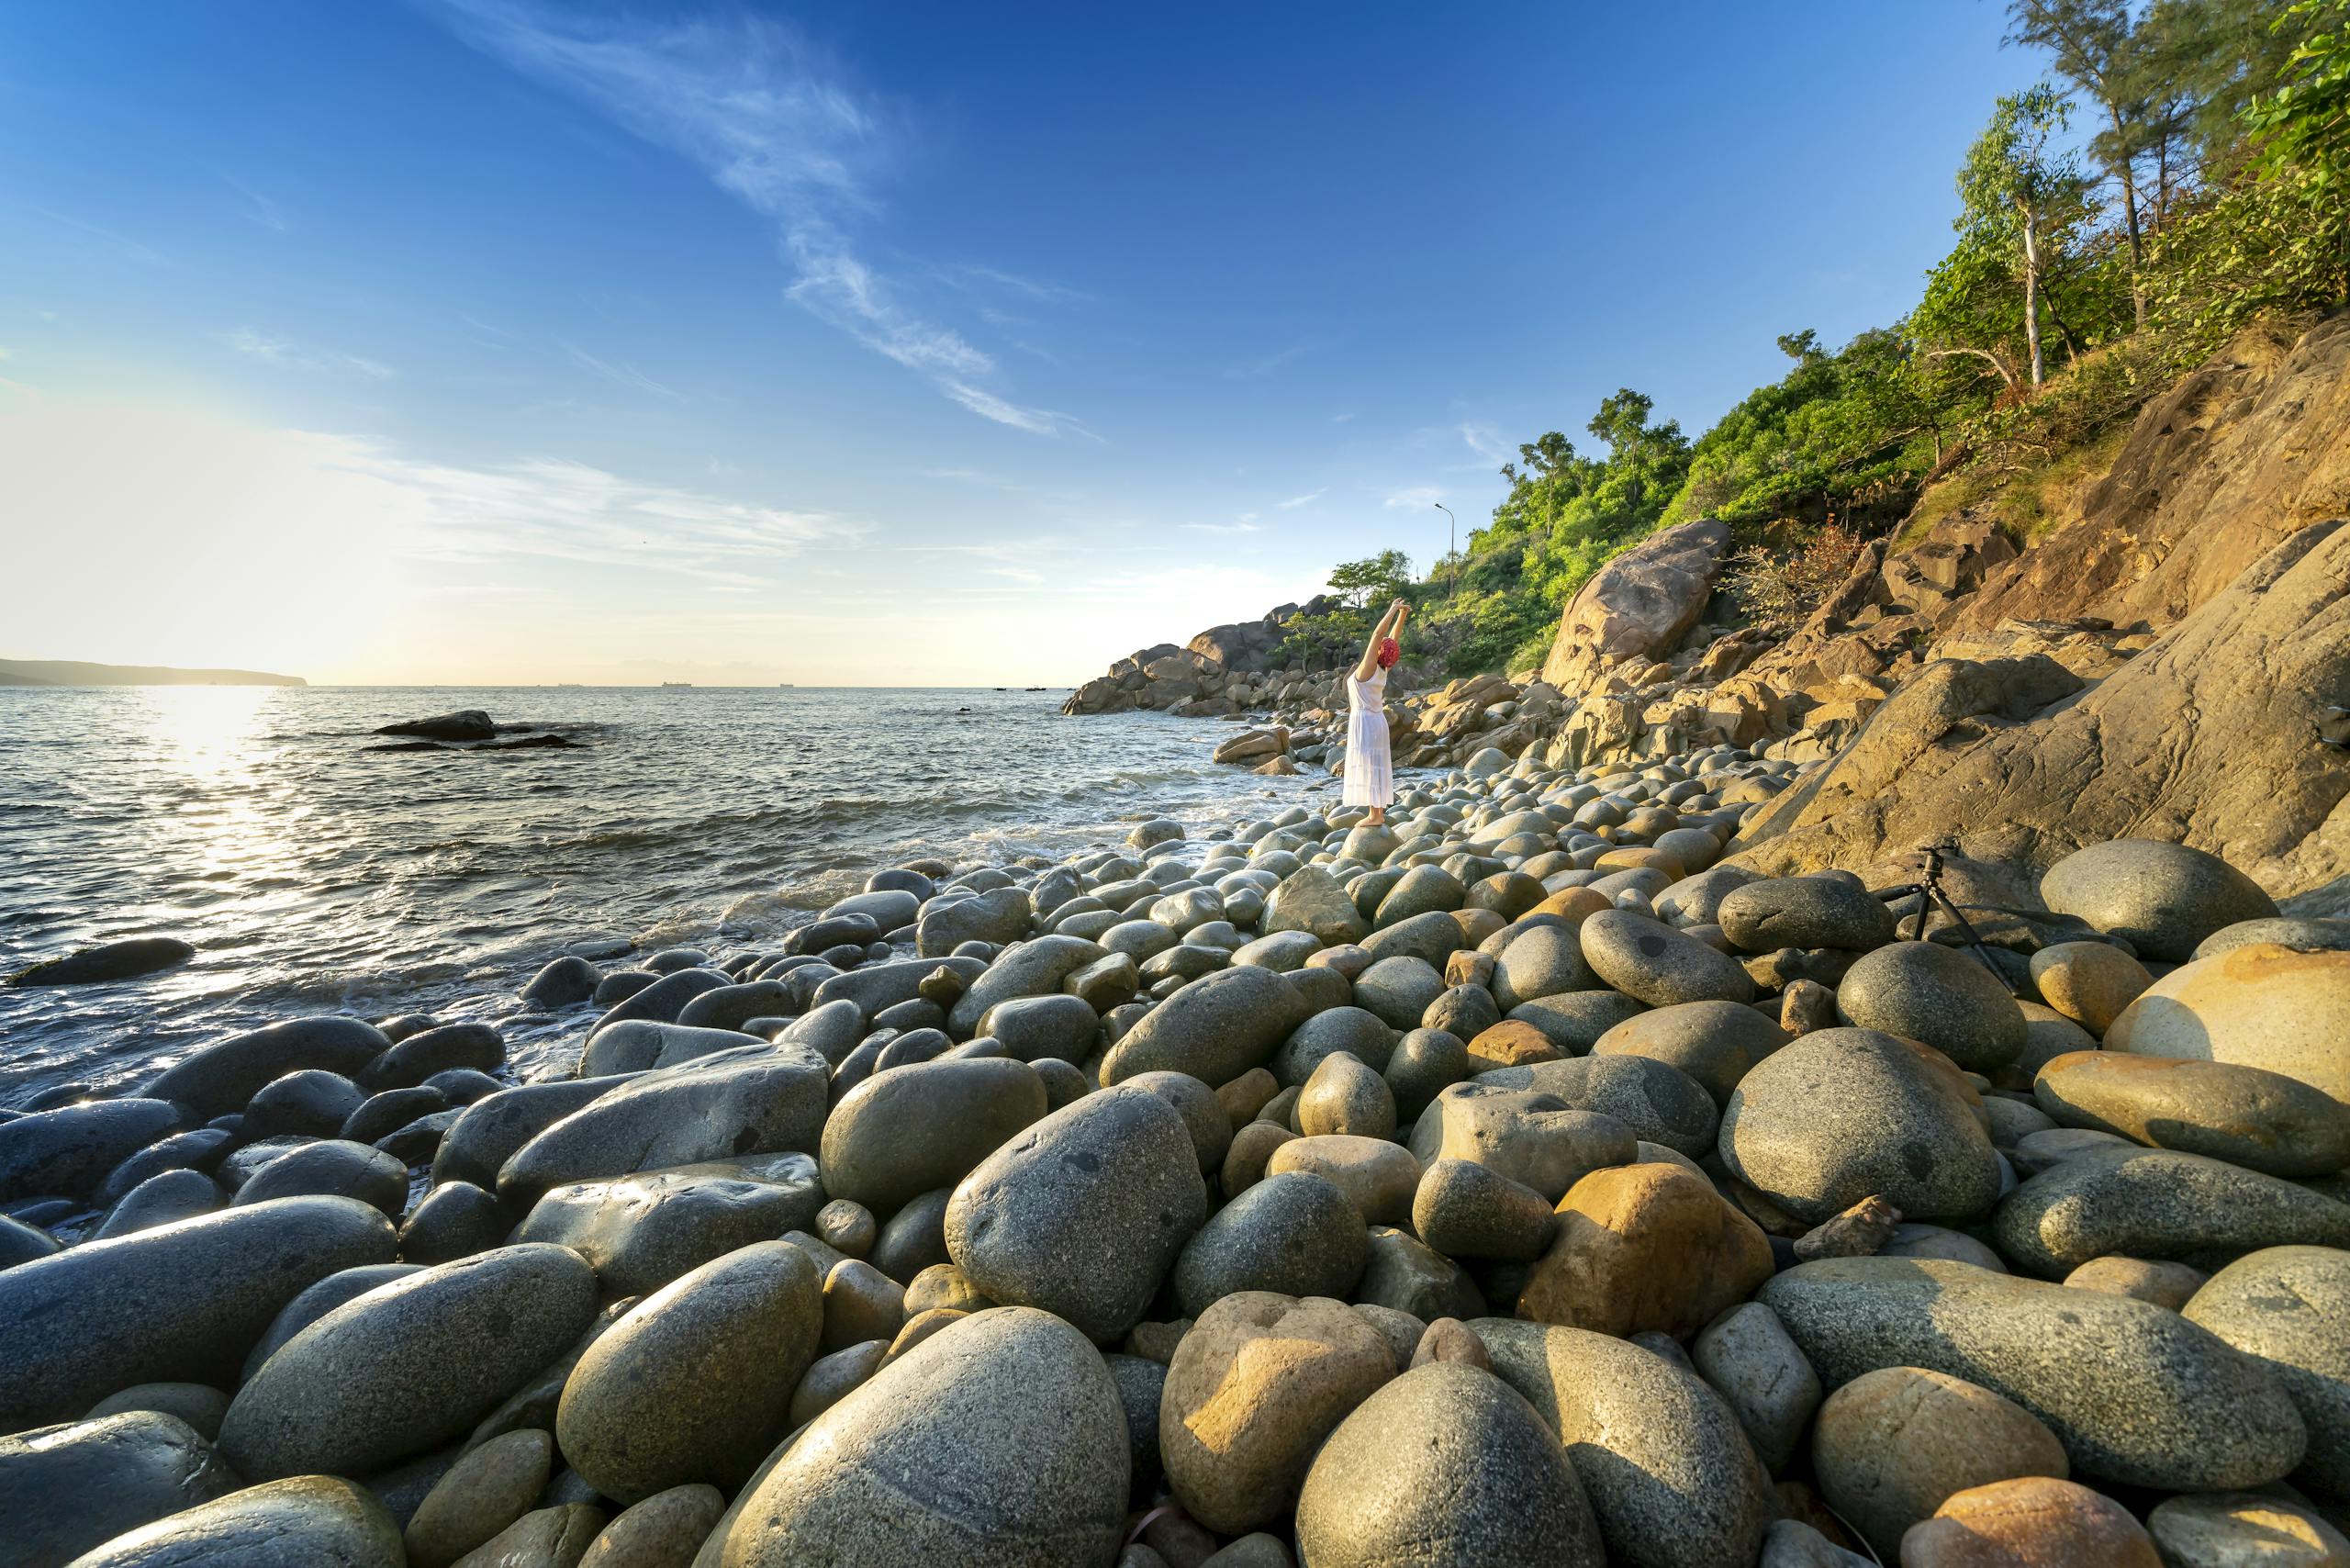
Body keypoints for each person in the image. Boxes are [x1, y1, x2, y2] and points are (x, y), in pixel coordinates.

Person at [1343, 597, 1406, 824]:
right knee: (1377, 764)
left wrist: (1392, 610)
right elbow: (1392, 641)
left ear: (1378, 651)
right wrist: (1402, 615)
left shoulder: (1368, 668)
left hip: (1365, 722)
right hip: (1377, 720)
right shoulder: (1384, 668)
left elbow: (1378, 636)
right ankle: (1377, 813)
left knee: (1370, 765)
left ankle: (1374, 815)